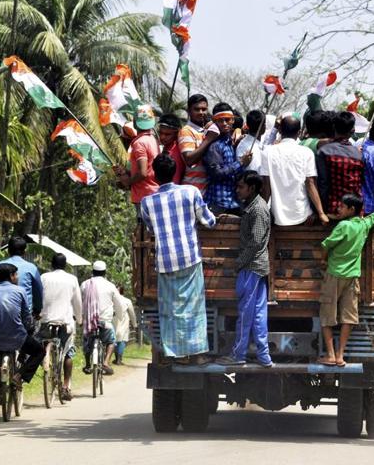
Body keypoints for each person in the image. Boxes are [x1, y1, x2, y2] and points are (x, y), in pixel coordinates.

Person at [140, 154, 216, 364]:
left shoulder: (147, 202)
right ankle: (197, 354)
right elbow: (209, 221)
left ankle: (177, 354)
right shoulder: (190, 192)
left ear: (154, 175)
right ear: (174, 172)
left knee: (171, 310)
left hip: (165, 262)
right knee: (194, 306)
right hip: (190, 257)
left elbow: (150, 228)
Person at [318, 195, 374, 366]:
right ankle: (340, 356)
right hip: (352, 277)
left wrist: (323, 260)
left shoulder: (343, 226)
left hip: (334, 275)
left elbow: (326, 245)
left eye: (342, 206)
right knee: (348, 317)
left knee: (327, 315)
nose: (339, 209)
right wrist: (368, 217)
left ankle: (331, 355)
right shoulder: (363, 225)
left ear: (351, 210)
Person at [217, 172, 273, 367]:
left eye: (241, 187)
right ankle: (264, 357)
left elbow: (256, 241)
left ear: (252, 188)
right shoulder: (254, 207)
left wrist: (239, 262)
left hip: (251, 267)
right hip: (258, 267)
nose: (238, 190)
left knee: (246, 313)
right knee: (258, 313)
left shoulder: (257, 209)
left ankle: (238, 355)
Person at [0, 263, 45, 405]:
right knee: (39, 351)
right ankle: (19, 376)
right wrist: (27, 329)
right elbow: (26, 317)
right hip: (18, 338)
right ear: (12, 276)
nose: (17, 277)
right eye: (16, 275)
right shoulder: (20, 291)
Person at [259, 115, 329, 226]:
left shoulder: (268, 152)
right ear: (299, 132)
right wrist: (321, 213)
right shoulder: (307, 152)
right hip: (303, 215)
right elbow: (310, 184)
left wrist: (261, 213)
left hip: (278, 217)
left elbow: (266, 187)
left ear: (280, 130)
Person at [38, 253, 82, 401]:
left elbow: (39, 297)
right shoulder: (72, 279)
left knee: (40, 343)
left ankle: (45, 360)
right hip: (65, 322)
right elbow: (77, 303)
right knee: (68, 353)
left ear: (52, 264)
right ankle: (65, 386)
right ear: (65, 265)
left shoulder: (44, 277)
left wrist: (39, 313)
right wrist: (80, 318)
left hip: (46, 320)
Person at [203, 102, 252, 215]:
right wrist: (240, 163)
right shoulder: (214, 145)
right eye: (220, 120)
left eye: (227, 119)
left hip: (232, 202)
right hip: (218, 204)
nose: (224, 123)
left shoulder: (229, 143)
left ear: (233, 120)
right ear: (215, 122)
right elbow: (217, 173)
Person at [317, 112, 364, 215]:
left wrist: (321, 211)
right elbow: (362, 184)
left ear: (334, 127)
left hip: (333, 210)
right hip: (355, 211)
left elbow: (323, 184)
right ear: (352, 131)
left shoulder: (324, 151)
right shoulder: (359, 154)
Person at [81, 260, 121, 376]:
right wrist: (118, 315)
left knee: (86, 342)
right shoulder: (110, 286)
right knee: (111, 341)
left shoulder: (85, 284)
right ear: (105, 272)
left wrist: (80, 317)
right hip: (105, 323)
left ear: (92, 271)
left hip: (89, 322)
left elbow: (80, 301)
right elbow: (118, 304)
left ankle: (88, 364)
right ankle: (106, 362)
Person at [115, 103, 160, 208]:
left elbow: (143, 173)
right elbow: (148, 169)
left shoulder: (139, 143)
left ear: (135, 123)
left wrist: (128, 182)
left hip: (144, 195)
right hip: (153, 191)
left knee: (143, 224)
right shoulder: (153, 139)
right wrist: (126, 172)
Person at [0, 236, 43, 316]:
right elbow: (38, 292)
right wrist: (38, 309)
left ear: (8, 250)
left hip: (0, 313)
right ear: (24, 251)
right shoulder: (32, 268)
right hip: (23, 315)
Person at [178, 94, 219, 193]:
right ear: (189, 111)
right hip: (192, 190)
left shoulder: (208, 130)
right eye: (196, 109)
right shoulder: (187, 131)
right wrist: (209, 139)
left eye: (204, 109)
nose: (201, 112)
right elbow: (189, 159)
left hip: (207, 191)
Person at [157, 113, 185, 184]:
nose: (162, 137)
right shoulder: (167, 147)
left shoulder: (174, 152)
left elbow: (175, 180)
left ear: (176, 134)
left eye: (167, 134)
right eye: (160, 133)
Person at [113, 286, 137, 365]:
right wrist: (134, 324)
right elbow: (132, 314)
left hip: (113, 321)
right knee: (122, 340)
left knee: (115, 340)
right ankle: (119, 359)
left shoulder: (112, 300)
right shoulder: (127, 301)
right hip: (123, 322)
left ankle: (116, 358)